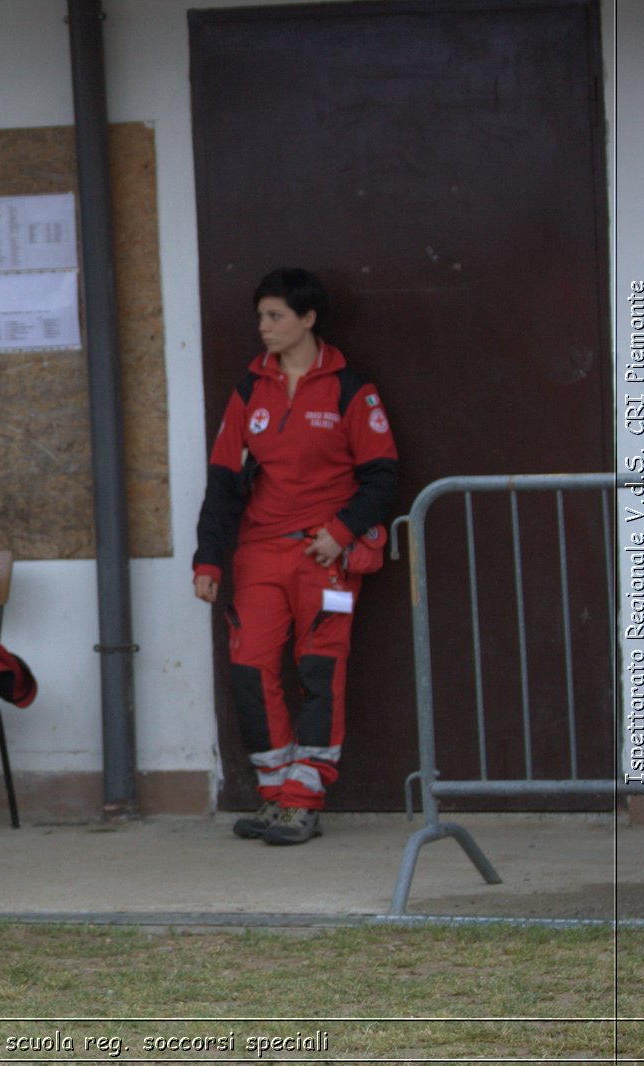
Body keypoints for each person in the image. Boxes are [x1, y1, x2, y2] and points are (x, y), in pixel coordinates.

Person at [192, 268, 399, 845]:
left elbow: (382, 478)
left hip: (326, 556)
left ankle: (305, 799)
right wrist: (208, 559)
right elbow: (223, 483)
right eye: (260, 316)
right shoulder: (247, 392)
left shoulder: (351, 389)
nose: (264, 327)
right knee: (250, 670)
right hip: (258, 555)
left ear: (308, 319)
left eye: (275, 316)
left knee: (318, 669)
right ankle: (275, 792)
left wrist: (341, 531)